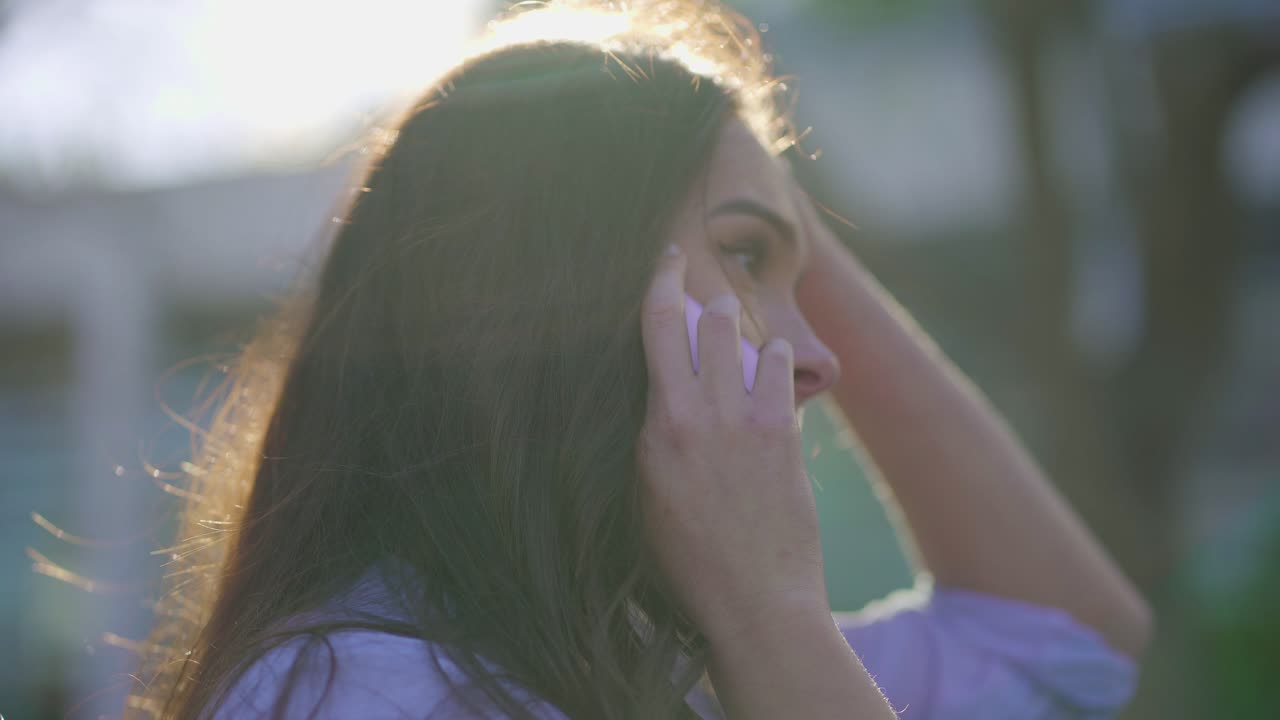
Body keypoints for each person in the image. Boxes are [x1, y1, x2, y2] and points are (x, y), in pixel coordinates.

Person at [128, 1, 1153, 718]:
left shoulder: (664, 666)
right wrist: (770, 614)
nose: (816, 362)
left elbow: (1069, 639)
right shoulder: (367, 694)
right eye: (747, 257)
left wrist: (750, 180)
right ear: (562, 276)